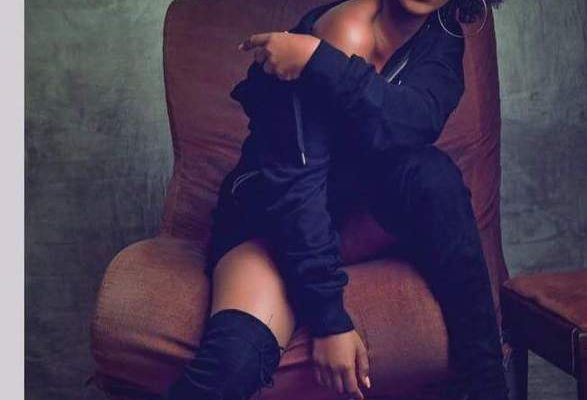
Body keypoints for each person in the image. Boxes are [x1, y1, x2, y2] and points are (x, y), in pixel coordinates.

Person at [166, 0, 507, 399]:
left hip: (352, 218)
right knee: (234, 361)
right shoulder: (342, 29)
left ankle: (488, 387)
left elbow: (415, 122)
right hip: (274, 225)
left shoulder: (441, 34)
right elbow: (297, 189)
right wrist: (329, 321)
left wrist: (321, 64)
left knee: (432, 177)